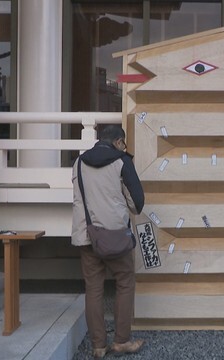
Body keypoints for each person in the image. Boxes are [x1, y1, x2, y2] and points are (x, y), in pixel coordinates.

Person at [72, 125, 145, 358]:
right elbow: (137, 203)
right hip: (115, 237)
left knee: (93, 287)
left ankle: (98, 345)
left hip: (87, 235)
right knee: (124, 281)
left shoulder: (79, 162)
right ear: (118, 142)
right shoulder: (122, 162)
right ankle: (121, 341)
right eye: (123, 143)